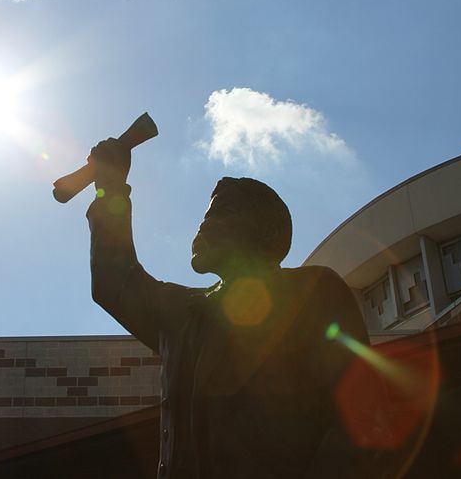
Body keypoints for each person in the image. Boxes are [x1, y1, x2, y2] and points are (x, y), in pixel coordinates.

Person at [86, 138, 388, 478]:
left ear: (267, 231)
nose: (204, 224)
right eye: (206, 215)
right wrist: (109, 189)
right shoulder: (180, 313)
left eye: (223, 213)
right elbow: (116, 281)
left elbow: (363, 412)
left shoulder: (312, 293)